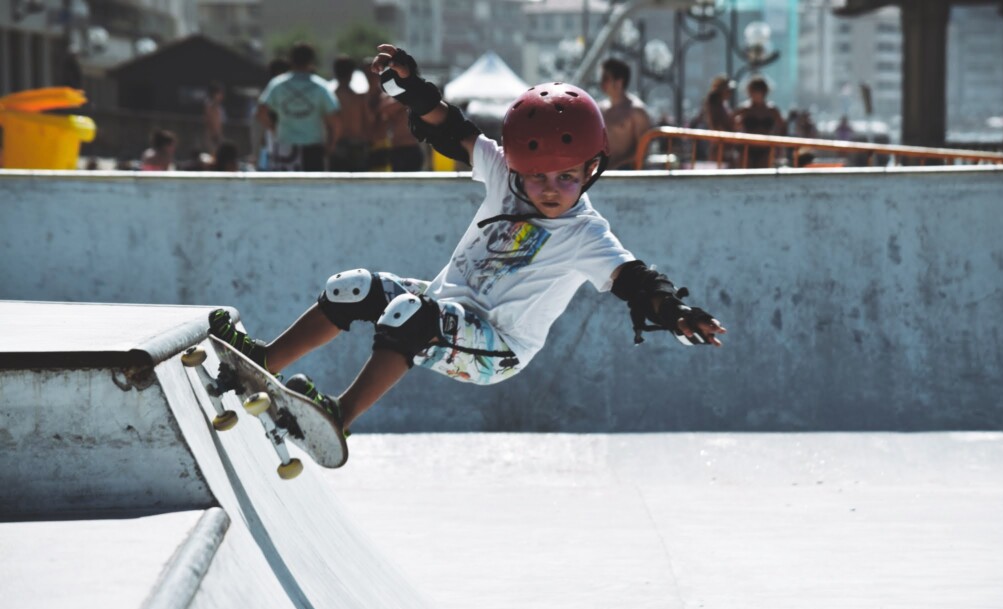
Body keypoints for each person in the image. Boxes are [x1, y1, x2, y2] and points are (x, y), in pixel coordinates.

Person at [207, 43, 726, 439]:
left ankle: (337, 418)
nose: (549, 190)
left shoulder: (586, 234)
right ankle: (263, 363)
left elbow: (634, 279)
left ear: (591, 170)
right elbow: (451, 129)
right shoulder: (502, 172)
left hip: (497, 348)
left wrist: (674, 313)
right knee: (353, 288)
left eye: (566, 178)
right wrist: (409, 89)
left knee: (410, 315)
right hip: (443, 306)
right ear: (516, 164)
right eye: (535, 176)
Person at [257, 43, 340, 172]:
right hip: (312, 149)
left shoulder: (277, 84)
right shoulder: (321, 87)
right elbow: (335, 120)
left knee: (284, 189)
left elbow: (261, 112)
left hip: (285, 147)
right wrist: (331, 145)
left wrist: (274, 129)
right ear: (312, 61)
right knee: (312, 190)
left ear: (291, 60)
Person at [598, 58, 653, 170]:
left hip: (626, 176)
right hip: (601, 175)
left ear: (619, 82)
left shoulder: (636, 111)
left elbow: (643, 150)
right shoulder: (600, 109)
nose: (602, 82)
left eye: (606, 78)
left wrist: (616, 167)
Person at [329, 56, 373, 172]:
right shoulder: (359, 99)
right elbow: (368, 122)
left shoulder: (330, 98)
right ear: (351, 74)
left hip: (336, 147)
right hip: (357, 146)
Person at [732, 76, 786, 168]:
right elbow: (733, 127)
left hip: (766, 149)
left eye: (759, 91)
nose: (756, 95)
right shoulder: (744, 109)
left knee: (763, 176)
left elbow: (782, 128)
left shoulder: (772, 110)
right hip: (747, 148)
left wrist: (778, 148)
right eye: (754, 91)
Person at [703, 75, 735, 166]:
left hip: (726, 145)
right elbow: (716, 125)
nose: (730, 93)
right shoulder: (714, 105)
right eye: (728, 90)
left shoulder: (723, 105)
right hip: (720, 145)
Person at [204, 81, 226, 154]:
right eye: (219, 93)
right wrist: (216, 136)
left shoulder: (218, 107)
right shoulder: (211, 106)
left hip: (217, 136)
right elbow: (211, 122)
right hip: (212, 137)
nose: (221, 96)